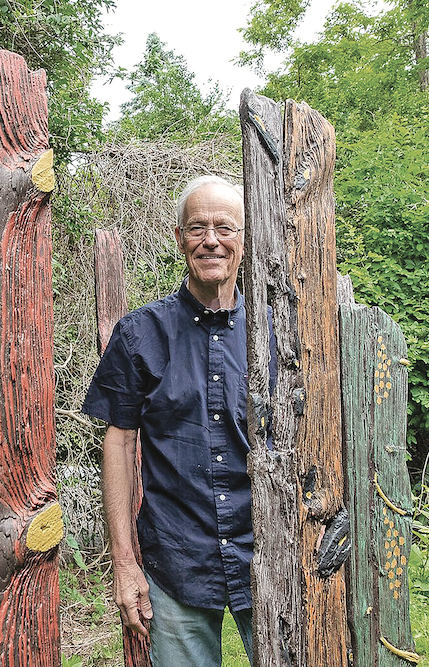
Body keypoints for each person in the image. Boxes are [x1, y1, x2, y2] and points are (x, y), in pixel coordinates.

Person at [83, 175, 273, 666]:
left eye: (225, 228)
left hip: (271, 554)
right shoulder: (140, 334)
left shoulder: (277, 335)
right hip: (175, 558)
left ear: (245, 239)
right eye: (197, 228)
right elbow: (119, 444)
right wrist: (124, 564)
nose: (211, 240)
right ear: (179, 238)